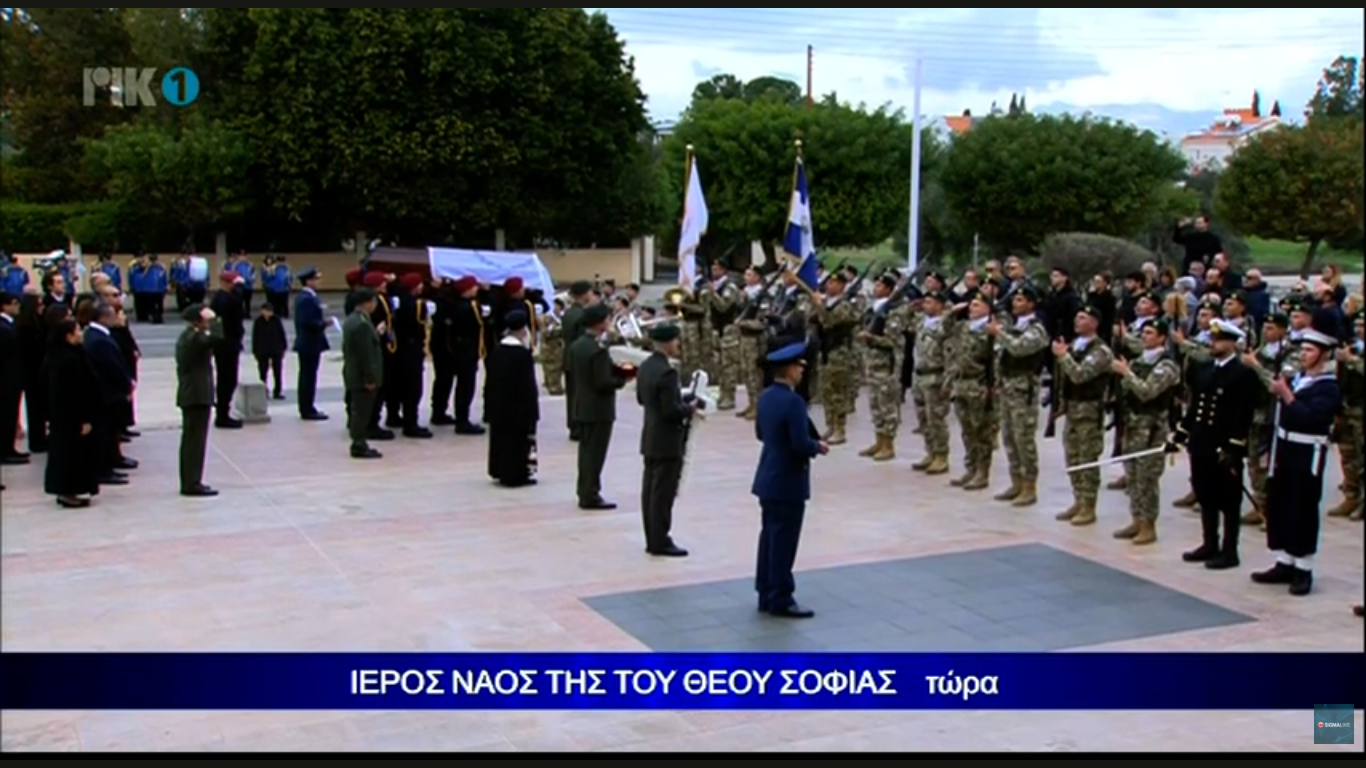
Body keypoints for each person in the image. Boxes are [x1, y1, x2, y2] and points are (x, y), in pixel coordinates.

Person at [1250, 312, 1343, 596]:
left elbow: (1311, 418)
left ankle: (1303, 567)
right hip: (1284, 447)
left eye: (1310, 350)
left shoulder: (1328, 386)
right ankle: (1284, 560)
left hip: (1307, 450)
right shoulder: (1299, 379)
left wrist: (1286, 395)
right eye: (1302, 349)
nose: (1303, 355)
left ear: (1324, 354)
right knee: (1280, 503)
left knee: (1302, 507)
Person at [1174, 318, 1260, 570]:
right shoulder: (1204, 369)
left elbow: (1243, 414)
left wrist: (1234, 446)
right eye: (1212, 339)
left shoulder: (1243, 374)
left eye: (1219, 340)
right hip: (1201, 442)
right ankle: (1209, 543)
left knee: (1229, 500)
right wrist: (1182, 432)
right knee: (1205, 495)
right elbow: (1196, 406)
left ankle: (1229, 550)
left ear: (1232, 344)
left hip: (1223, 445)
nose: (1213, 344)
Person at [752, 341, 829, 618]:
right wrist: (816, 447)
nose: (801, 372)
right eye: (799, 367)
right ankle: (781, 597)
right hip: (788, 480)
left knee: (770, 536)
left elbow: (761, 433)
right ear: (789, 369)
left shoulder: (766, 396)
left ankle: (765, 590)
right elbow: (800, 444)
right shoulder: (793, 401)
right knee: (784, 540)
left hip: (767, 476)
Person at [1110, 319, 1181, 544]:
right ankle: (1137, 519)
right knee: (1132, 475)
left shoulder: (1166, 365)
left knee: (1147, 478)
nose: (1144, 336)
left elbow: (1147, 391)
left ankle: (1149, 524)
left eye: (1150, 333)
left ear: (1161, 338)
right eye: (1143, 332)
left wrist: (1126, 374)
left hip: (1152, 428)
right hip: (1133, 424)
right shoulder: (1140, 361)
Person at [636, 323, 695, 557]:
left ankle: (652, 536)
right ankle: (660, 539)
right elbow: (671, 410)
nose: (678, 345)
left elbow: (643, 399)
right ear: (668, 343)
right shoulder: (668, 372)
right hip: (667, 440)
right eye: (676, 341)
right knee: (663, 493)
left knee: (650, 490)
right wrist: (689, 409)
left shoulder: (646, 367)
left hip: (650, 435)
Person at [1052, 305, 1114, 526]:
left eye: (1083, 317)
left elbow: (1079, 375)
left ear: (1095, 322)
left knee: (1087, 460)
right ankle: (1078, 500)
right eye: (1077, 317)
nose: (1077, 321)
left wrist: (1063, 357)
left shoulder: (1100, 351)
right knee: (1073, 458)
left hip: (1089, 411)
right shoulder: (1076, 346)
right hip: (1073, 409)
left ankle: (1089, 505)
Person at [991, 286, 1049, 506]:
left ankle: (1029, 485)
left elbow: (1018, 348)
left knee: (1023, 438)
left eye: (1021, 300)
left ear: (1031, 304)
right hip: (1007, 387)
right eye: (1015, 300)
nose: (1016, 303)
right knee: (1009, 437)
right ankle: (1015, 481)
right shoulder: (1014, 326)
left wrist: (999, 333)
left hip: (1023, 390)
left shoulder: (1037, 329)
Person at [568, 302, 628, 510]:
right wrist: (622, 379)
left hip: (582, 404)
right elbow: (603, 382)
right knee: (595, 454)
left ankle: (584, 489)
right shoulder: (598, 349)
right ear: (601, 323)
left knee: (586, 453)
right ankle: (590, 494)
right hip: (599, 408)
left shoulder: (578, 345)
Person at [41, 318, 98, 506]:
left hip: (64, 417)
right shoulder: (65, 360)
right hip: (69, 417)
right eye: (77, 331)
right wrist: (83, 418)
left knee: (72, 454)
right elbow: (71, 393)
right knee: (68, 455)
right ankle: (67, 491)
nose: (81, 334)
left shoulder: (69, 355)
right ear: (68, 336)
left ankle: (74, 488)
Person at [857, 274, 909, 463]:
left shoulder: (894, 311)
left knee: (887, 407)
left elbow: (893, 341)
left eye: (880, 285)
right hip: (872, 364)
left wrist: (871, 338)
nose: (876, 288)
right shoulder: (875, 308)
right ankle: (879, 440)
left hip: (886, 366)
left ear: (889, 289)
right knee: (875, 405)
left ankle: (889, 445)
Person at [82, 302, 135, 486]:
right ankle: (103, 469)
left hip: (109, 393)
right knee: (104, 432)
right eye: (113, 315)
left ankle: (113, 459)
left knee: (112, 430)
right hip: (106, 393)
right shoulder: (98, 340)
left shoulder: (100, 335)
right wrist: (126, 384)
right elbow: (112, 367)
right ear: (103, 317)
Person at [486, 310, 540, 488]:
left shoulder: (497, 351)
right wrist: (533, 411)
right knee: (517, 441)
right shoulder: (521, 355)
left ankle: (499, 470)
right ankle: (515, 474)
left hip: (499, 406)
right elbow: (527, 386)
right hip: (518, 408)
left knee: (500, 439)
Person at [175, 304, 223, 497]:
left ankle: (191, 480)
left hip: (194, 394)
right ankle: (191, 483)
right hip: (196, 395)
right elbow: (217, 339)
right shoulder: (193, 338)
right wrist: (216, 319)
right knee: (195, 442)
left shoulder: (191, 335)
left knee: (193, 441)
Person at [1327, 310, 1363, 520]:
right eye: (1357, 325)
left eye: (1363, 326)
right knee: (1348, 455)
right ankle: (1351, 495)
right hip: (1346, 408)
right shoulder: (1350, 347)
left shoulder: (1354, 355)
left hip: (1362, 410)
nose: (1359, 329)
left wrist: (1352, 361)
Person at [342, 288, 383, 460]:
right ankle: (358, 443)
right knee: (362, 412)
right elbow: (366, 355)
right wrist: (370, 378)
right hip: (361, 376)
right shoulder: (362, 325)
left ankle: (359, 441)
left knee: (359, 410)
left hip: (353, 372)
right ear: (367, 303)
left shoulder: (354, 320)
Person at [206, 271, 246, 429]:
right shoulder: (223, 299)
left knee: (229, 380)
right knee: (227, 380)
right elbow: (236, 304)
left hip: (228, 344)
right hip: (226, 346)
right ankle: (222, 415)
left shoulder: (224, 297)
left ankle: (223, 412)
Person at [448, 276, 487, 436]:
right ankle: (462, 421)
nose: (476, 289)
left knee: (463, 386)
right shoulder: (470, 307)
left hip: (460, 348)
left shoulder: (456, 305)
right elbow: (481, 322)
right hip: (467, 349)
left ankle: (461, 418)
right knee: (466, 386)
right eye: (474, 287)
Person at [292, 267, 329, 421]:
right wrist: (324, 323)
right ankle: (307, 408)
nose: (318, 282)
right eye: (316, 279)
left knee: (308, 375)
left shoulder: (308, 297)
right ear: (308, 281)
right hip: (309, 343)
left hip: (309, 343)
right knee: (308, 377)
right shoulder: (306, 298)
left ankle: (308, 406)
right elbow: (308, 322)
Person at [560, 280, 594, 440]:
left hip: (568, 355)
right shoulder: (582, 315)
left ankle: (573, 424)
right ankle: (578, 426)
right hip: (578, 358)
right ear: (585, 294)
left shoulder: (569, 312)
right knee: (580, 394)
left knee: (572, 393)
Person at [0, 292, 26, 465]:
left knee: (12, 414)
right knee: (5, 415)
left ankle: (10, 447)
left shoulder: (11, 324)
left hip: (14, 377)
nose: (17, 307)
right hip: (5, 379)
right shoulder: (3, 328)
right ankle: (4, 451)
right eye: (14, 303)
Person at [251, 302, 288, 400]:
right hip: (263, 350)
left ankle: (278, 391)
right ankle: (263, 390)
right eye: (266, 311)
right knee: (263, 371)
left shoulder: (276, 320)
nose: (268, 313)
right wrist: (255, 351)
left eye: (270, 311)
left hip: (276, 349)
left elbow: (281, 334)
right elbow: (255, 337)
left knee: (277, 371)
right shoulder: (258, 322)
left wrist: (283, 347)